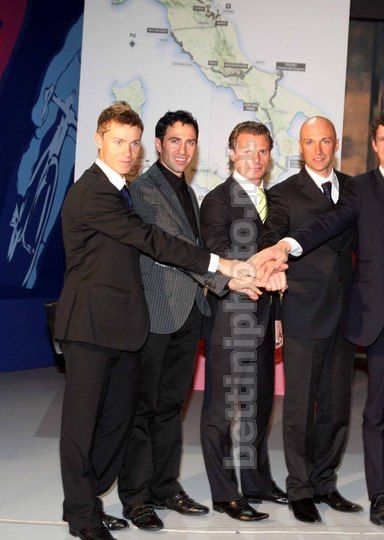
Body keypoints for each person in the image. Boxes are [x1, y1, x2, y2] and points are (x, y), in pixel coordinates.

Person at [54, 102, 263, 540]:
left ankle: (92, 500)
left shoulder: (121, 191)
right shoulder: (95, 192)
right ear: (98, 140)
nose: (127, 151)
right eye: (119, 142)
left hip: (124, 325)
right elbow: (152, 239)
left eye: (132, 143)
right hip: (90, 325)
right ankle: (82, 515)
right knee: (82, 425)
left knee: (117, 422)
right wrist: (221, 266)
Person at [256, 108, 384, 527]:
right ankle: (378, 498)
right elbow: (329, 223)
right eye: (383, 139)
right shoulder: (361, 189)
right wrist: (287, 245)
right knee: (376, 412)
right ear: (373, 145)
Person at [117, 110, 235, 530]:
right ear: (159, 144)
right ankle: (135, 498)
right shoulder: (144, 189)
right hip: (154, 314)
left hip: (187, 314)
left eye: (190, 142)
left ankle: (165, 486)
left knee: (170, 407)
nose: (183, 150)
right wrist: (230, 277)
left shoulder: (190, 193)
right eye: (175, 141)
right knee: (142, 408)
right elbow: (176, 245)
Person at [260, 116, 362, 523]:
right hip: (303, 312)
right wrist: (277, 311)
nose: (318, 150)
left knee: (336, 406)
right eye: (309, 142)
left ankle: (324, 482)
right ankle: (300, 488)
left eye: (325, 141)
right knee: (300, 407)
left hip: (346, 314)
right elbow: (271, 244)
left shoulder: (355, 189)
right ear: (300, 147)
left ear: (336, 144)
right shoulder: (283, 194)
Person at [199, 121, 288, 522]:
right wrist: (262, 270)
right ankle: (224, 493)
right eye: (247, 150)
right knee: (221, 411)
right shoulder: (217, 200)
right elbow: (219, 253)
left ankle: (256, 482)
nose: (256, 158)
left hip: (265, 318)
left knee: (258, 406)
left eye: (263, 151)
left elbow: (281, 259)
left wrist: (278, 316)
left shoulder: (274, 201)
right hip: (230, 317)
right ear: (232, 153)